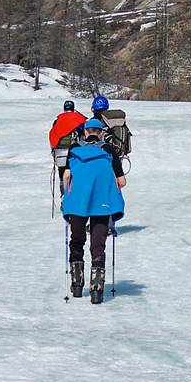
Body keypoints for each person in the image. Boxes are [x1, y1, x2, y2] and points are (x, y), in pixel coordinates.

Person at [61, 119, 126, 304]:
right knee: (98, 244)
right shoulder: (108, 150)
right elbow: (121, 182)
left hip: (77, 203)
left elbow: (66, 175)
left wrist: (67, 196)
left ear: (85, 132)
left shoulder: (74, 148)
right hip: (102, 203)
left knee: (77, 240)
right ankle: (97, 291)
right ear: (101, 132)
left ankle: (76, 285)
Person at [49, 99, 87, 184]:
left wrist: (53, 151)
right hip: (75, 153)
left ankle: (63, 194)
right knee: (75, 176)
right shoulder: (79, 119)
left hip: (60, 153)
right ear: (73, 108)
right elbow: (84, 136)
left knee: (62, 176)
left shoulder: (57, 121)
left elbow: (53, 135)